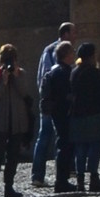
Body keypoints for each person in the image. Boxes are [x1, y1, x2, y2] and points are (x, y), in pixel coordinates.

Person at [0, 44, 32, 197]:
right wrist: (3, 82)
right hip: (0, 123)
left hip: (16, 122)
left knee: (13, 156)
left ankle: (8, 187)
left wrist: (16, 76)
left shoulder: (21, 74)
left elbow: (24, 93)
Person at [31, 21, 72, 186]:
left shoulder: (65, 51)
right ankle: (38, 175)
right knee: (46, 136)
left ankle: (62, 173)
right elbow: (45, 77)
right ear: (66, 34)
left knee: (60, 138)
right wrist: (47, 101)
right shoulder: (51, 51)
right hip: (52, 103)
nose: (76, 36)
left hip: (57, 103)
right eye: (74, 32)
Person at [67, 41, 100, 191]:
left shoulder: (74, 72)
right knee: (93, 147)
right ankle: (93, 178)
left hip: (77, 113)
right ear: (91, 56)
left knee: (80, 148)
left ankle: (80, 180)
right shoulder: (94, 72)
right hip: (92, 113)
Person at [39, 39, 74, 194]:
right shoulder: (64, 72)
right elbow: (66, 95)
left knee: (62, 145)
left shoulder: (53, 71)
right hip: (64, 113)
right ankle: (61, 180)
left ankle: (62, 179)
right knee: (64, 146)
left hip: (56, 112)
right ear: (66, 55)